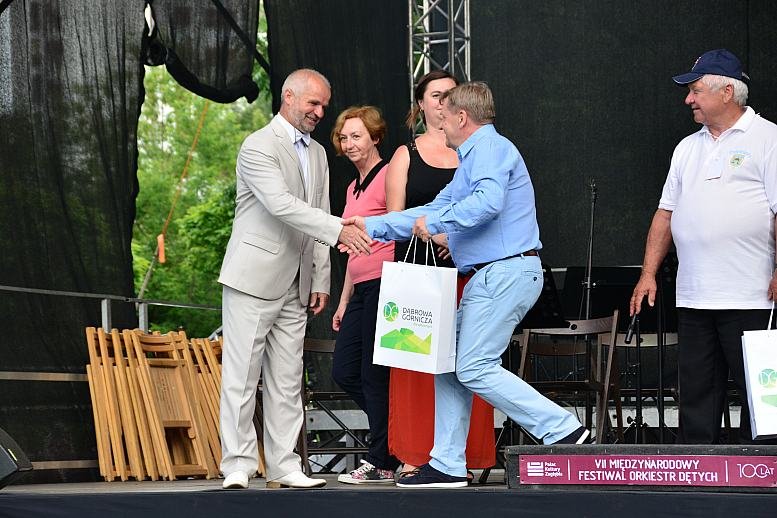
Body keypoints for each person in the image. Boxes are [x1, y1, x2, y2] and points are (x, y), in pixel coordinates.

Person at [345, 81, 589, 488]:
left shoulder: (490, 148)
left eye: (444, 117)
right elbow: (433, 208)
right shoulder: (474, 157)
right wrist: (370, 226)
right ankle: (447, 463)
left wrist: (435, 223)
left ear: (462, 117)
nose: (440, 124)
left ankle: (561, 428)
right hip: (489, 274)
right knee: (450, 366)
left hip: (504, 272)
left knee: (473, 366)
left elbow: (486, 203)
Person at [218, 68, 373, 490]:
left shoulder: (319, 153)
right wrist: (339, 229)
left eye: (324, 105)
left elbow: (318, 211)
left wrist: (321, 277)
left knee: (288, 380)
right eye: (313, 103)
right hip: (253, 277)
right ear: (288, 97)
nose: (320, 112)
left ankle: (284, 466)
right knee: (242, 375)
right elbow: (281, 205)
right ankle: (237, 463)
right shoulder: (257, 145)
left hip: (298, 282)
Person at [629, 49, 777, 444]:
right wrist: (647, 273)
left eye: (695, 91)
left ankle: (762, 469)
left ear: (727, 92)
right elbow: (665, 214)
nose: (688, 100)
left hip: (751, 294)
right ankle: (697, 467)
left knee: (761, 393)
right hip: (695, 295)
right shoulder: (686, 148)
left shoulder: (768, 138)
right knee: (695, 393)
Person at [384, 70, 495, 480]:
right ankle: (415, 453)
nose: (443, 100)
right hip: (419, 278)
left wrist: (457, 238)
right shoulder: (405, 154)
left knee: (466, 365)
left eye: (450, 93)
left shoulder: (476, 152)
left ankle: (463, 457)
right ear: (421, 104)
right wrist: (432, 232)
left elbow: (490, 211)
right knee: (416, 367)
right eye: (435, 94)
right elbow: (395, 220)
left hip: (467, 275)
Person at [328, 106, 401, 484]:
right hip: (360, 288)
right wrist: (343, 301)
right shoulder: (351, 187)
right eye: (344, 137)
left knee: (374, 375)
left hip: (386, 284)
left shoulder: (389, 174)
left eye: (357, 136)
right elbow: (352, 251)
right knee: (344, 371)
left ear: (375, 137)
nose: (349, 143)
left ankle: (381, 459)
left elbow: (400, 225)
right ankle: (391, 440)